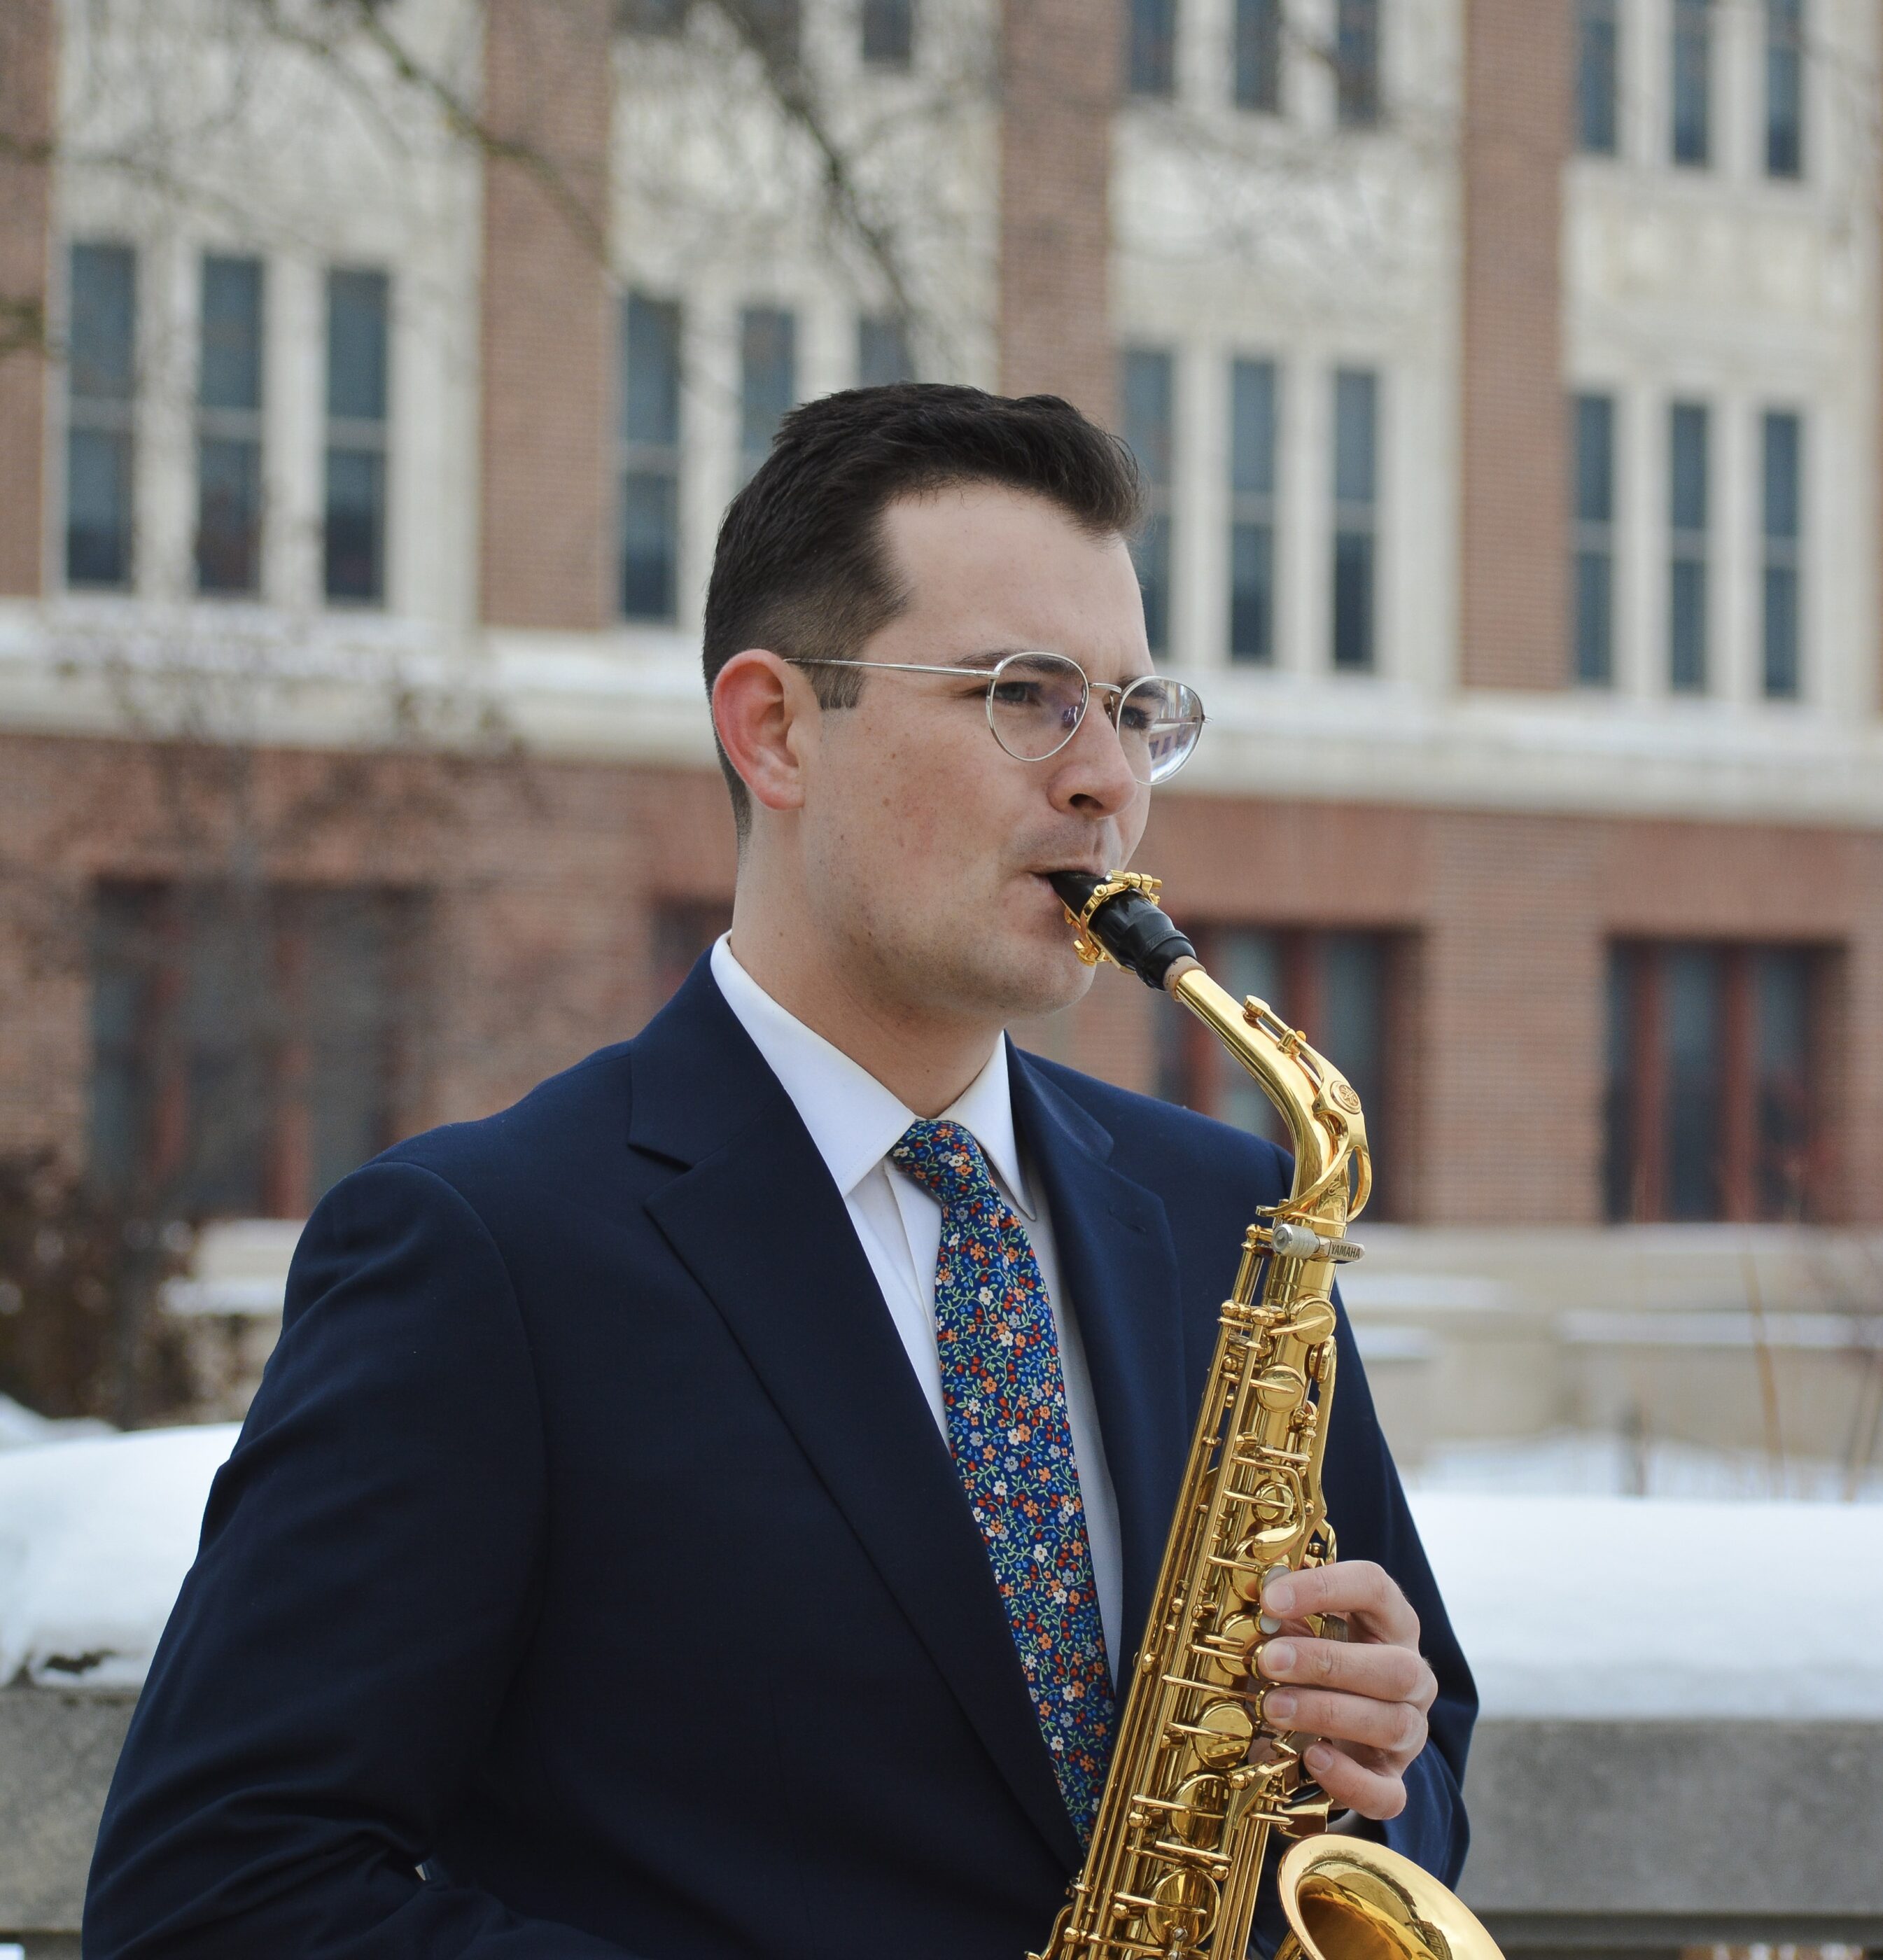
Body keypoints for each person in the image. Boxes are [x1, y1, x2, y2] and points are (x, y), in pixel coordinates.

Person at [85, 385, 1474, 1960]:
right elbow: (212, 1896)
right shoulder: (483, 1251)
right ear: (775, 728)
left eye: (1134, 707)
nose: (1107, 778)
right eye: (1025, 695)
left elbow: (1413, 1789)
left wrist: (1374, 1765)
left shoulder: (1231, 1209)